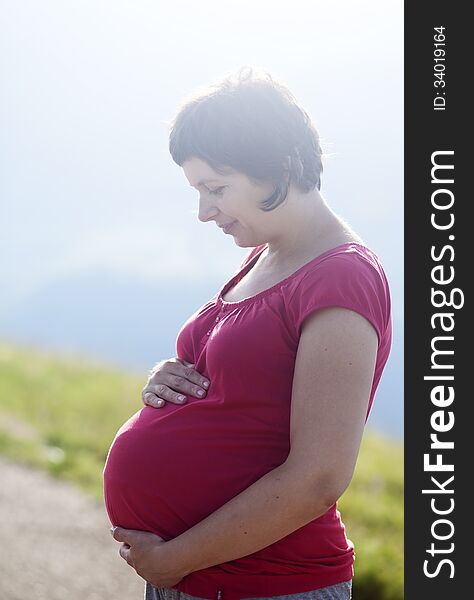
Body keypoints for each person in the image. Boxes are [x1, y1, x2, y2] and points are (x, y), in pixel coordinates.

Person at [103, 66, 392, 600]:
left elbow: (318, 477)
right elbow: (241, 387)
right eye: (197, 190)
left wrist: (172, 559)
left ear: (278, 167)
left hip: (268, 585)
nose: (203, 211)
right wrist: (170, 377)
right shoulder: (266, 256)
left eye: (216, 188)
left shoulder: (342, 276)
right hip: (201, 580)